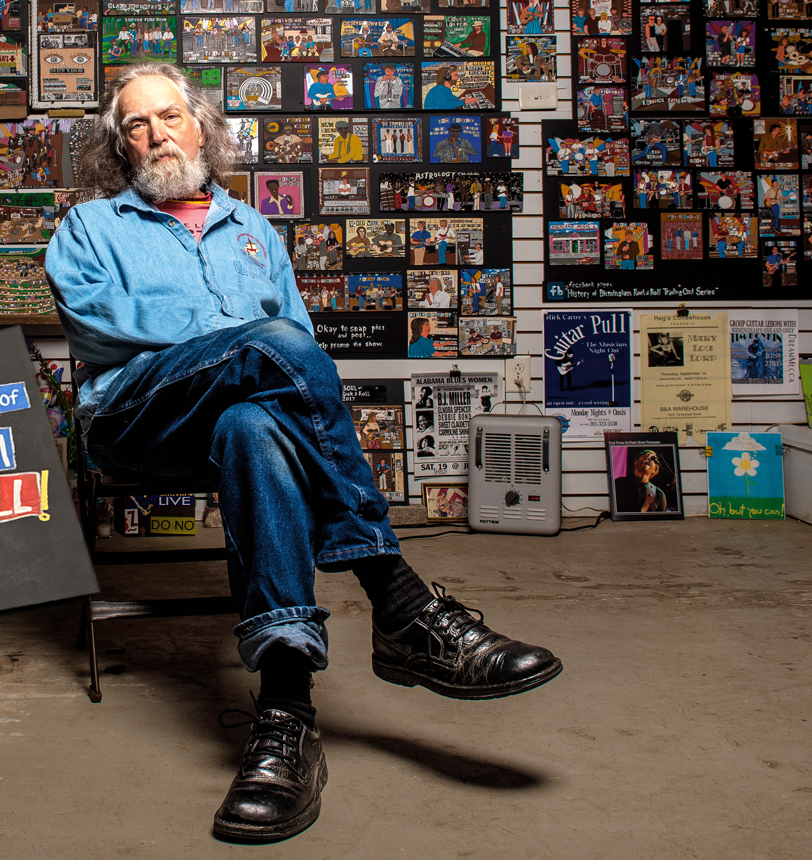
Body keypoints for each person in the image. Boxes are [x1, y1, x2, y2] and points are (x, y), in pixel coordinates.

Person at [46, 64, 561, 844]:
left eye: (167, 117)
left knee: (256, 425)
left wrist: (248, 347)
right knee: (274, 346)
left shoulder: (256, 231)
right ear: (120, 146)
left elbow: (298, 366)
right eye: (135, 126)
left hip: (226, 422)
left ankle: (286, 716)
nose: (154, 135)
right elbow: (100, 326)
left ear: (202, 126)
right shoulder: (89, 228)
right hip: (133, 414)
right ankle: (398, 599)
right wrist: (237, 334)